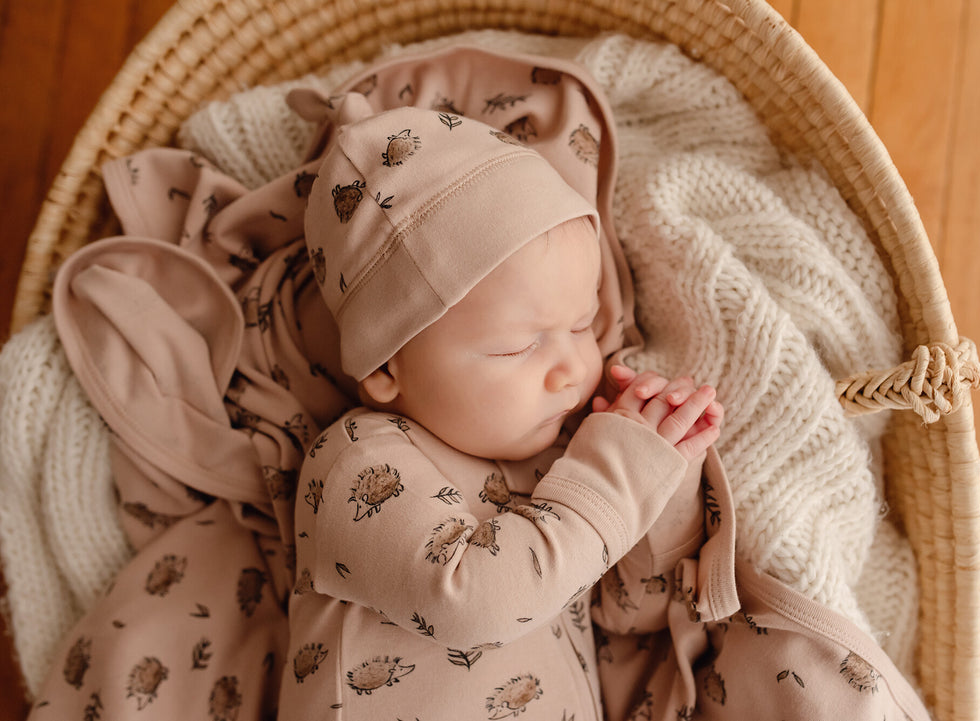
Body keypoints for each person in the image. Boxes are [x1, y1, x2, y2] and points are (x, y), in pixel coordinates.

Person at [277, 102, 722, 721]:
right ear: (385, 368)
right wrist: (611, 480)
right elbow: (471, 601)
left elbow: (634, 612)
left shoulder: (564, 461)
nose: (573, 366)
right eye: (518, 346)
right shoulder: (358, 459)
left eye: (583, 324)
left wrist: (661, 469)